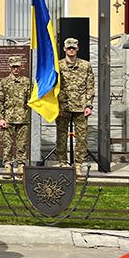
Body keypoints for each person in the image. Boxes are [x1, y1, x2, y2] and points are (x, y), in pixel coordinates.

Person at [56, 38, 94, 175]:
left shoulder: (85, 65)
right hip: (63, 106)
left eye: (73, 48)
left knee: (81, 138)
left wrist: (89, 105)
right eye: (69, 48)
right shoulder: (58, 66)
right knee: (61, 136)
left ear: (77, 49)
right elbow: (54, 86)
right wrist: (56, 105)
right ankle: (62, 162)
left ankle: (78, 164)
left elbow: (90, 86)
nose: (71, 50)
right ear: (64, 49)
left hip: (80, 106)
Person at [0, 55, 31, 177]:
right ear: (10, 67)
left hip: (23, 118)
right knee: (8, 145)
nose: (15, 69)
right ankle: (8, 165)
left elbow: (30, 100)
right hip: (8, 119)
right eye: (13, 67)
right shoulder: (4, 82)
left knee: (22, 144)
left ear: (21, 67)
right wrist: (1, 118)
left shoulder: (27, 82)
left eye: (17, 67)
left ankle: (21, 165)